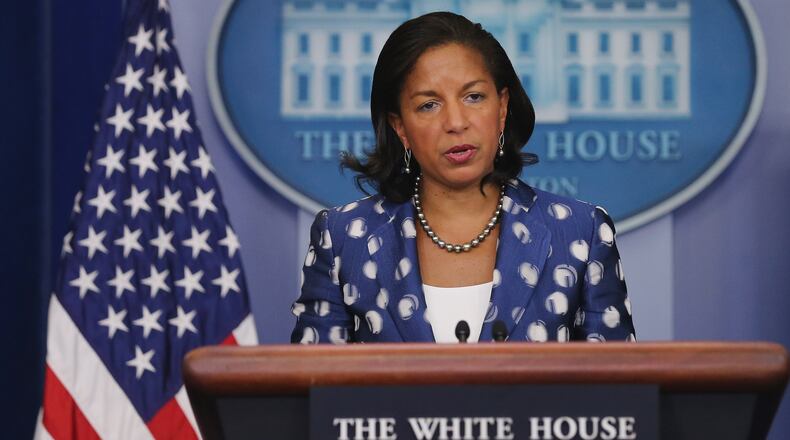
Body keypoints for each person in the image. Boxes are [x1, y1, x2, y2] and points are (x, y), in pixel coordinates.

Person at [290, 12, 635, 344]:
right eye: (429, 105)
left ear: (501, 108)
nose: (456, 121)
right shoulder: (344, 238)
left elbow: (620, 391)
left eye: (474, 97)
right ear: (400, 128)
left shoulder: (580, 232)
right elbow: (313, 391)